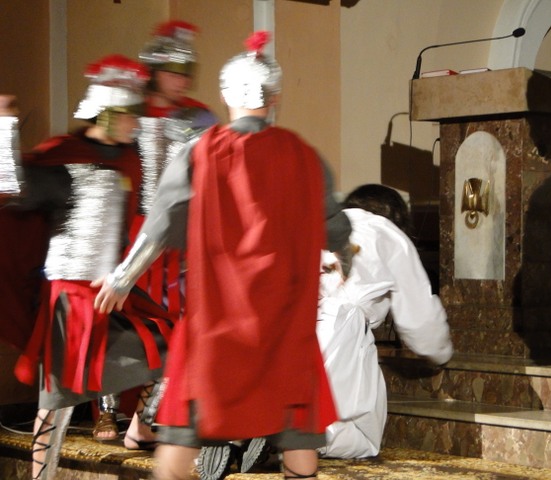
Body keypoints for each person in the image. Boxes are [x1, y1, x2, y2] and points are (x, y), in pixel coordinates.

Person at [93, 31, 352, 480]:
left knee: (179, 446)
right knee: (298, 441)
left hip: (217, 326)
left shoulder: (199, 151)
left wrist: (122, 278)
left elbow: (160, 225)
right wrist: (343, 263)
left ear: (226, 95)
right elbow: (337, 229)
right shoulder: (303, 155)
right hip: (284, 328)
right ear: (274, 98)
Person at [4, 55, 173, 480]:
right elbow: (11, 190)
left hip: (110, 289)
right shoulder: (62, 158)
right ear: (109, 112)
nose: (135, 123)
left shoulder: (129, 158)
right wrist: (4, 127)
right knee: (56, 404)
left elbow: (154, 211)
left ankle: (141, 427)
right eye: (129, 115)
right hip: (69, 299)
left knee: (175, 343)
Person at [94, 19, 218, 448]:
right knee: (114, 316)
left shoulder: (200, 115)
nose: (179, 80)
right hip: (126, 228)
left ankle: (147, 415)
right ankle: (106, 407)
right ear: (154, 70)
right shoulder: (130, 108)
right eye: (171, 71)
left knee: (174, 324)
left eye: (186, 71)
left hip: (178, 236)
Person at [316, 184, 452, 459]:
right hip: (339, 332)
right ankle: (287, 434)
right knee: (360, 432)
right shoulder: (390, 236)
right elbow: (419, 316)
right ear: (397, 217)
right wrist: (441, 353)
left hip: (295, 320)